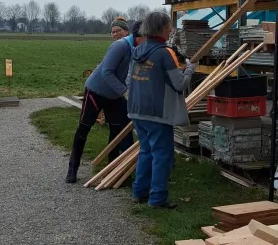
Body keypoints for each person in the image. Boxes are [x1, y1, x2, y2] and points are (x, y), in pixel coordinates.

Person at [128, 11, 195, 208]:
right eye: (168, 27)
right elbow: (180, 84)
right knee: (162, 155)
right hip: (157, 112)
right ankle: (157, 199)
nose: (170, 31)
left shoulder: (138, 50)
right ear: (161, 29)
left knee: (146, 151)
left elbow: (131, 80)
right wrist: (190, 68)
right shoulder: (165, 53)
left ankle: (139, 192)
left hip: (137, 109)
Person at [65, 20, 144, 183]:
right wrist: (125, 92)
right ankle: (72, 168)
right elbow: (107, 72)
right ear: (140, 35)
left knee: (116, 132)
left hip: (114, 95)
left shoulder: (137, 48)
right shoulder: (120, 46)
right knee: (84, 128)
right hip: (96, 91)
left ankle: (112, 170)